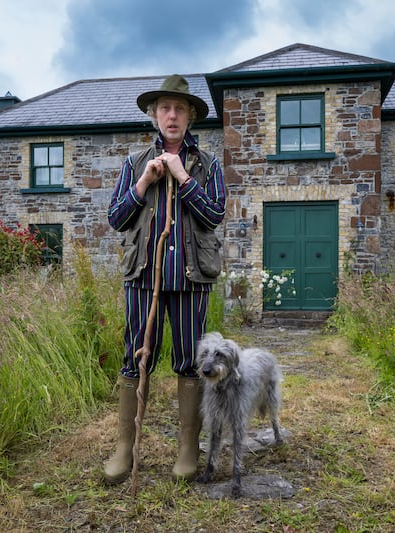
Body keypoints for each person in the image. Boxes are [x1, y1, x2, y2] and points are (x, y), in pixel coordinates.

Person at [105, 75, 226, 483]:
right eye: (164, 108)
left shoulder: (208, 165)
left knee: (193, 363)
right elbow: (116, 218)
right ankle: (126, 448)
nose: (171, 116)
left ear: (191, 115)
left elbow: (214, 215)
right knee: (136, 359)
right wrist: (145, 183)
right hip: (143, 278)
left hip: (192, 279)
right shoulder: (135, 163)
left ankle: (188, 448)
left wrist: (182, 176)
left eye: (179, 109)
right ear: (154, 115)